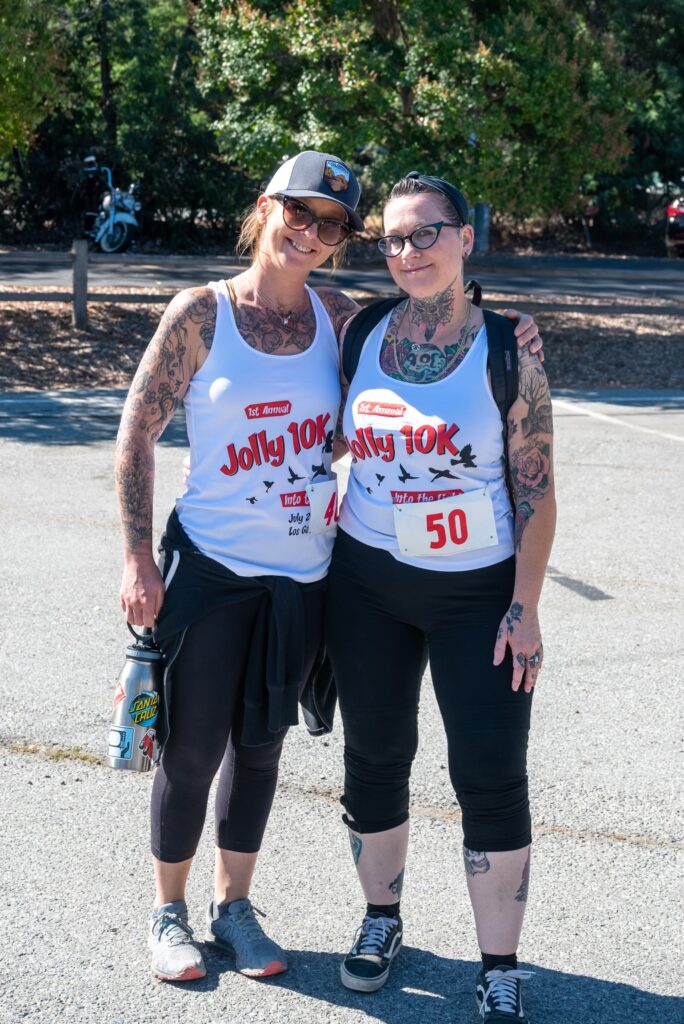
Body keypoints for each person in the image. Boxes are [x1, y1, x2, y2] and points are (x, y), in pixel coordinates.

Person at [115, 150, 543, 986]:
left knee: (263, 747)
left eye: (334, 225)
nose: (312, 233)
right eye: (300, 213)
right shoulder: (202, 314)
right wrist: (137, 556)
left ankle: (233, 909)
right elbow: (136, 433)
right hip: (210, 566)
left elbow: (432, 320)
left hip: (307, 574)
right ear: (268, 206)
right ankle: (167, 913)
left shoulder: (340, 317)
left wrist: (504, 321)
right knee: (192, 747)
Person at [325, 172, 556, 1024]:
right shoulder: (358, 334)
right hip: (367, 584)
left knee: (490, 775)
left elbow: (536, 491)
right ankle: (381, 920)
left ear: (466, 239)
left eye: (427, 234)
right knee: (375, 759)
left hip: (478, 596)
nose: (409, 251)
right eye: (393, 238)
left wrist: (525, 607)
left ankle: (500, 967)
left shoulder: (508, 350)